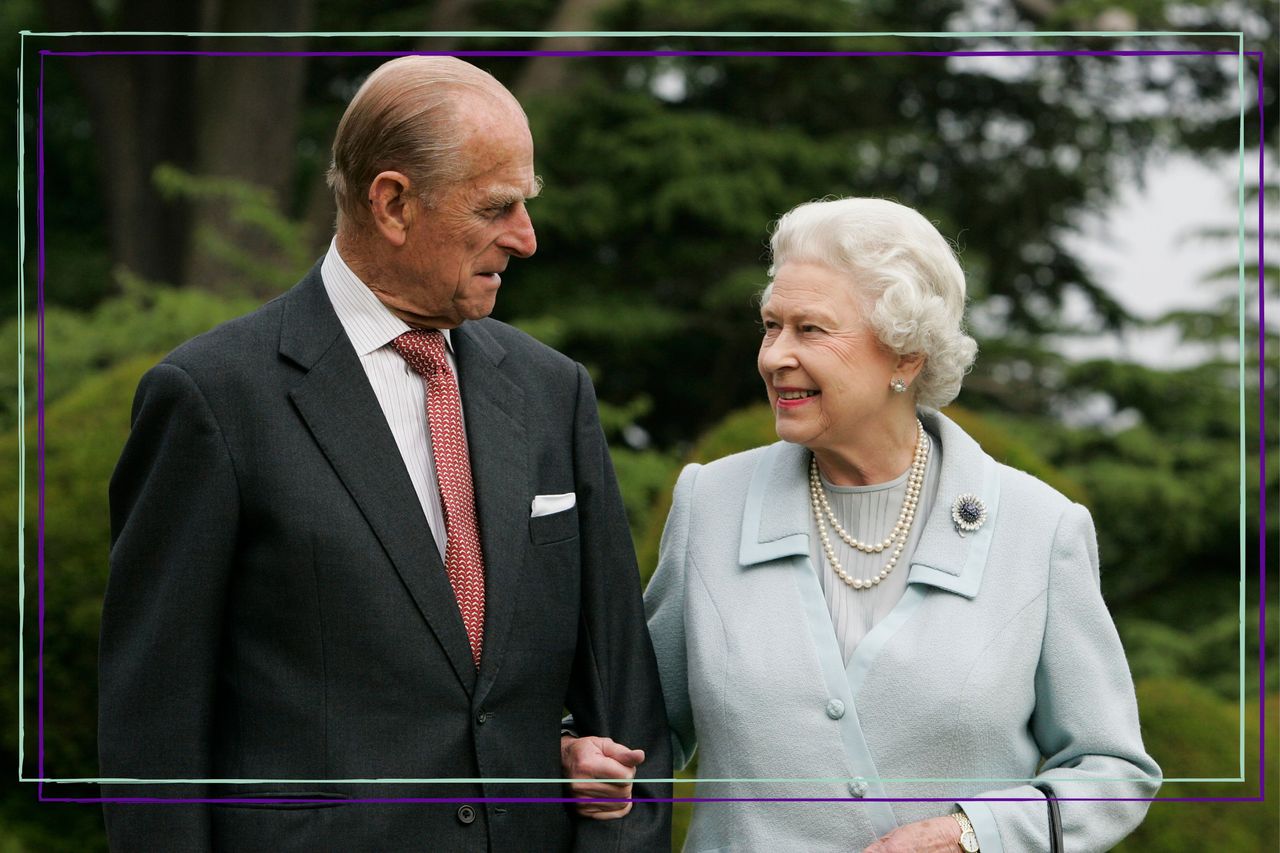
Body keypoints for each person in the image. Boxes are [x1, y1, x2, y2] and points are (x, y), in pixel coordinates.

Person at [99, 55, 671, 852]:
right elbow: (152, 736)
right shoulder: (211, 399)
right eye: (497, 207)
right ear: (393, 203)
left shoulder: (553, 392)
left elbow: (625, 703)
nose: (526, 238)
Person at [562, 197, 1160, 851]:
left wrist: (970, 834)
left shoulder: (1040, 529)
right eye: (771, 325)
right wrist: (583, 752)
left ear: (905, 357)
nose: (773, 356)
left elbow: (1113, 772)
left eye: (811, 330)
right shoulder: (712, 502)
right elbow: (639, 724)